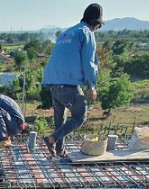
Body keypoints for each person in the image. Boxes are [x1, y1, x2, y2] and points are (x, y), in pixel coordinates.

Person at [41, 3, 103, 157]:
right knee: (80, 116)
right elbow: (89, 63)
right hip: (68, 84)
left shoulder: (66, 33)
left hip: (53, 83)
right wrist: (92, 87)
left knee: (60, 120)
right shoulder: (86, 32)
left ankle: (59, 151)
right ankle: (52, 139)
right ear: (96, 23)